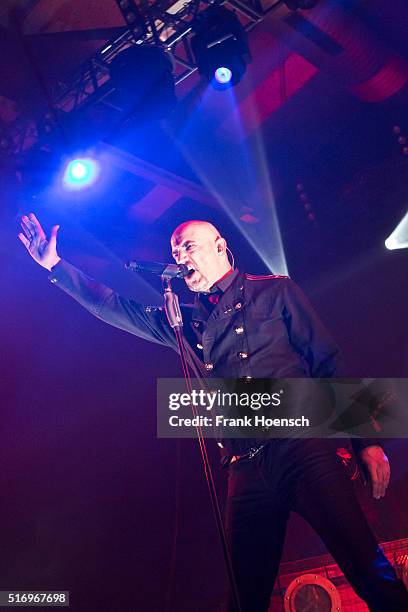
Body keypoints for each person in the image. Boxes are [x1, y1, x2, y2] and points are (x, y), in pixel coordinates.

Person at [18, 213, 408, 611]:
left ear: (220, 247)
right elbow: (114, 306)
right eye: (174, 250)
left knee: (364, 563)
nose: (180, 256)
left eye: (189, 246)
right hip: (244, 466)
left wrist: (367, 441)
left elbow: (327, 362)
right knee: (244, 595)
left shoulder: (274, 292)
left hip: (302, 448)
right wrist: (55, 266)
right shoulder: (184, 321)